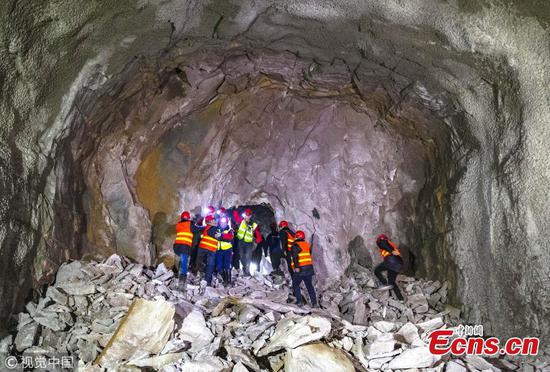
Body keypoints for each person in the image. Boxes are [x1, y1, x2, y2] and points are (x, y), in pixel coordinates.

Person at [195, 215, 232, 286]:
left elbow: (229, 237)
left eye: (215, 220)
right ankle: (206, 279)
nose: (215, 221)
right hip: (211, 250)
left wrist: (221, 236)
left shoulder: (225, 230)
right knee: (212, 265)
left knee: (215, 265)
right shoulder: (212, 228)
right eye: (213, 220)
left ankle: (225, 281)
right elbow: (212, 233)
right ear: (209, 222)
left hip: (219, 250)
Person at [290, 230, 318, 307]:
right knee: (309, 286)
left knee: (295, 284)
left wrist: (296, 267)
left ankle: (300, 301)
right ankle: (314, 303)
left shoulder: (295, 245)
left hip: (300, 269)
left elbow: (295, 257)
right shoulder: (306, 244)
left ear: (297, 236)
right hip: (309, 268)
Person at [373, 234, 404, 300]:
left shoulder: (383, 241)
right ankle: (401, 299)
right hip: (398, 265)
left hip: (391, 262)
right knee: (391, 282)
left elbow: (383, 244)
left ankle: (384, 283)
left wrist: (391, 251)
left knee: (377, 270)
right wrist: (392, 251)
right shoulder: (391, 245)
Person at [233, 208, 262, 276]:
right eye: (246, 215)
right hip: (241, 241)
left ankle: (247, 271)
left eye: (248, 215)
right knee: (242, 256)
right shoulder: (241, 221)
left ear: (250, 216)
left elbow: (257, 233)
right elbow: (236, 216)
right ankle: (244, 267)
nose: (247, 216)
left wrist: (258, 240)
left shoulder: (253, 224)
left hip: (249, 243)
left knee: (248, 256)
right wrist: (236, 209)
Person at [173, 211, 194, 288]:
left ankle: (178, 275)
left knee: (181, 261)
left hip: (177, 246)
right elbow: (197, 229)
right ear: (188, 218)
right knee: (184, 262)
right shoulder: (190, 224)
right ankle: (182, 280)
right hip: (184, 246)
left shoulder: (178, 225)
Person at [215, 215, 234, 285]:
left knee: (227, 265)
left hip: (227, 250)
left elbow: (230, 237)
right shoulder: (217, 229)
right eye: (222, 223)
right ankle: (223, 278)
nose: (223, 224)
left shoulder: (230, 230)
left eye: (224, 223)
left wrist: (221, 236)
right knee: (219, 265)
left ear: (226, 223)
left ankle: (228, 280)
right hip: (219, 250)